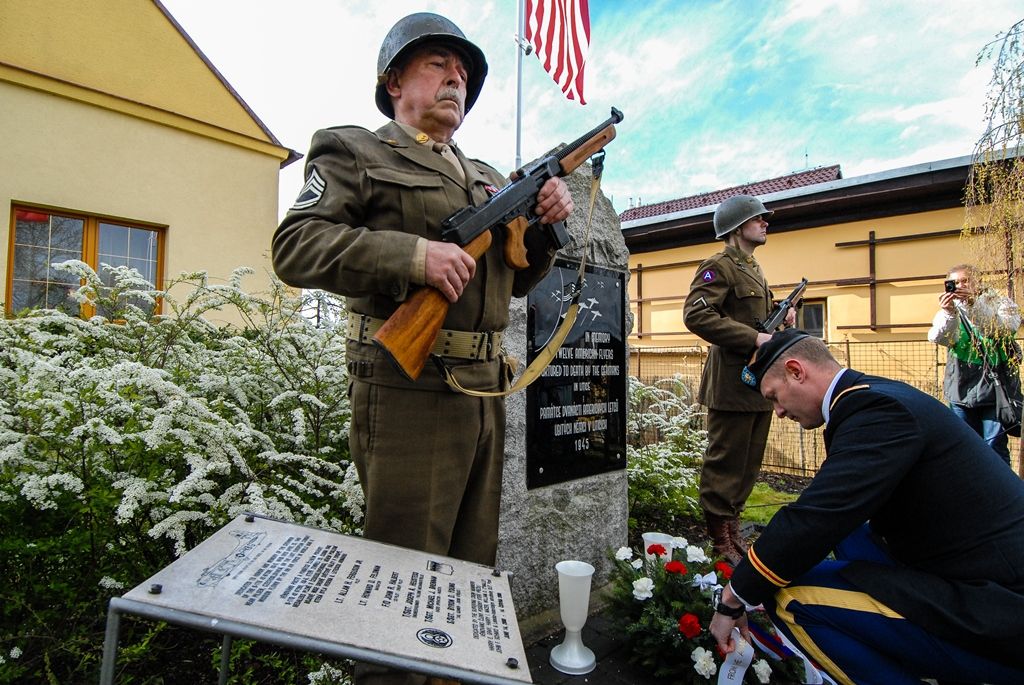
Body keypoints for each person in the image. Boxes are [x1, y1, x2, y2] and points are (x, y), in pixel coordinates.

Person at [272, 13, 572, 685]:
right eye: (439, 63)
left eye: (463, 72)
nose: (456, 77)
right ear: (394, 79)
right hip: (407, 392)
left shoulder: (487, 177)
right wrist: (413, 256)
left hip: (480, 392)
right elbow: (294, 246)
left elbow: (515, 279)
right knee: (401, 581)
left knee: (465, 576)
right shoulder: (357, 152)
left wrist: (546, 226)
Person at [708, 329, 1024, 685]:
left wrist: (735, 596)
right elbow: (833, 515)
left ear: (796, 371)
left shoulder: (877, 412)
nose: (778, 411)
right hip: (973, 571)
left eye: (775, 396)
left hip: (998, 608)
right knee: (844, 537)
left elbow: (819, 516)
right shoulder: (870, 397)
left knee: (792, 600)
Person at [683, 194, 793, 564]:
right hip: (731, 384)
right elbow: (697, 316)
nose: (765, 223)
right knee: (726, 462)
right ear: (737, 226)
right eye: (758, 218)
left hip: (758, 384)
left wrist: (783, 315)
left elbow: (757, 318)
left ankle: (733, 530)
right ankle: (719, 541)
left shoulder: (754, 269)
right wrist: (755, 337)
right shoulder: (719, 266)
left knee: (748, 464)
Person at [928, 263, 1021, 466]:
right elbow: (940, 338)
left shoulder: (999, 303)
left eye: (965, 280)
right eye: (955, 282)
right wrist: (949, 313)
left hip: (994, 388)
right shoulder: (949, 310)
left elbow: (1002, 329)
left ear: (978, 281)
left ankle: (1001, 491)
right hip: (961, 386)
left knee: (994, 445)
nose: (961, 285)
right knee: (964, 444)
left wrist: (972, 305)